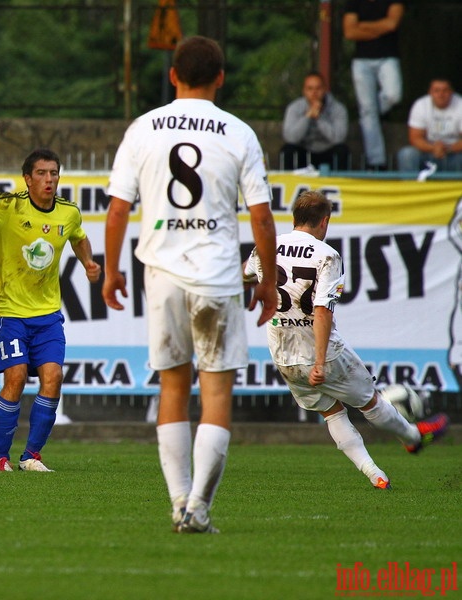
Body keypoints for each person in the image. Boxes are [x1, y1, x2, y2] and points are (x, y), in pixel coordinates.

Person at [102, 36, 278, 534]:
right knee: (217, 391)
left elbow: (118, 209)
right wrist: (265, 279)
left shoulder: (144, 128)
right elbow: (262, 218)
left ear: (173, 75)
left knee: (173, 386)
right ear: (221, 78)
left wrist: (112, 270)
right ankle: (199, 505)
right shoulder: (238, 133)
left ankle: (180, 501)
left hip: (161, 275)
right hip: (218, 276)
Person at [244, 190, 450, 488]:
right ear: (324, 222)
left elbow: (246, 274)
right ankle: (414, 438)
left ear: (295, 218)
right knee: (370, 402)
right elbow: (321, 310)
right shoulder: (326, 255)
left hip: (283, 354)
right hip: (322, 354)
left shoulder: (266, 247)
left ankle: (374, 474)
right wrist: (319, 361)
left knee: (331, 411)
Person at [0, 148, 101, 472]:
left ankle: (31, 456)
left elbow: (78, 237)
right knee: (17, 376)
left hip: (48, 314)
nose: (49, 179)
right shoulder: (8, 206)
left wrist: (88, 262)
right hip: (10, 311)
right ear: (27, 178)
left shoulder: (68, 213)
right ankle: (0, 457)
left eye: (53, 173)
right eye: (42, 173)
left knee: (53, 377)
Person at [343, 0, 404, 171]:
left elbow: (392, 24)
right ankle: (376, 161)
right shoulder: (353, 4)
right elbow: (349, 32)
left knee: (393, 95)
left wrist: (362, 27)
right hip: (361, 61)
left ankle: (374, 114)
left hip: (388, 57)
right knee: (367, 111)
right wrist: (380, 28)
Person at [280, 71, 350, 171]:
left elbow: (338, 138)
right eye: (310, 89)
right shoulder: (294, 108)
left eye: (318, 88)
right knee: (288, 150)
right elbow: (290, 138)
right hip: (304, 152)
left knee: (342, 150)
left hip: (328, 151)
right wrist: (307, 116)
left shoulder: (338, 109)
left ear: (325, 89)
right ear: (304, 91)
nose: (314, 93)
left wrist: (319, 118)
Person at [396, 78, 462, 173]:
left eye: (445, 90)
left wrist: (448, 148)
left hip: (454, 154)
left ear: (451, 92)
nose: (441, 95)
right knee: (407, 154)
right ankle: (411, 186)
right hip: (428, 153)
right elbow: (415, 138)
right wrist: (434, 148)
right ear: (430, 92)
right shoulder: (420, 105)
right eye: (436, 91)